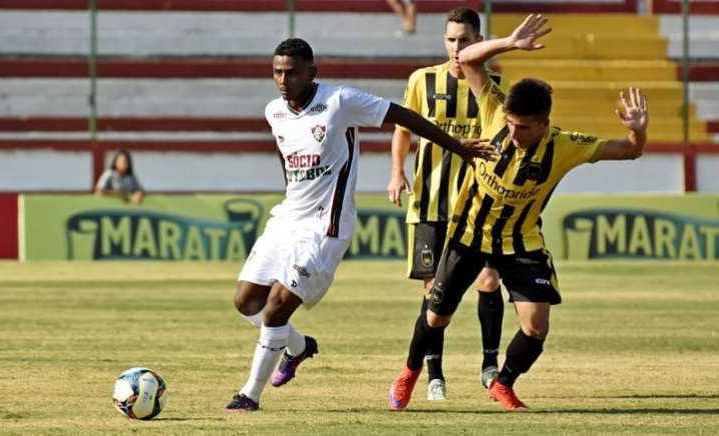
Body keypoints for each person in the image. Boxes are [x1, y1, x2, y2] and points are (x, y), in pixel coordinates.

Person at [389, 14, 649, 411]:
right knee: (437, 316)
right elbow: (470, 60)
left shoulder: (565, 145)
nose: (513, 132)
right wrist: (510, 42)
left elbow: (630, 150)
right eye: (510, 124)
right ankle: (408, 373)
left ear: (545, 124)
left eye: (524, 128)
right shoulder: (493, 111)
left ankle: (502, 382)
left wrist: (638, 131)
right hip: (469, 234)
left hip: (520, 241)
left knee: (536, 327)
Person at [224, 37, 496, 412]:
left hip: (325, 226)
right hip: (288, 217)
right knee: (245, 301)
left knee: (275, 308)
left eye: (291, 72)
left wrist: (459, 146)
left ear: (312, 73)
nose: (283, 80)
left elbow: (404, 116)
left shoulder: (341, 101)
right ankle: (299, 348)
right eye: (277, 72)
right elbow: (285, 155)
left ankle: (248, 396)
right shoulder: (275, 111)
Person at [387, 7, 508, 401]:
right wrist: (396, 171)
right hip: (430, 204)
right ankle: (434, 374)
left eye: (466, 41)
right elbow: (404, 130)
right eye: (451, 40)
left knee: (488, 281)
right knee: (434, 293)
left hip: (479, 208)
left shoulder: (494, 85)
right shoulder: (422, 80)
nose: (458, 48)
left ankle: (490, 365)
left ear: (479, 41)